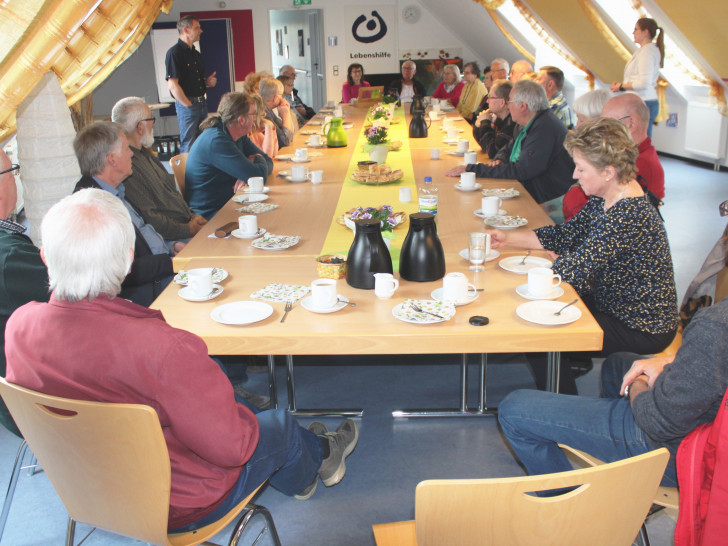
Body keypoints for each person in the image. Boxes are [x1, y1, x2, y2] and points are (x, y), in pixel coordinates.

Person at [4, 188, 359, 530]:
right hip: (179, 501)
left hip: (86, 488)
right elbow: (233, 448)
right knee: (280, 427)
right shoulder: (163, 348)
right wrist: (252, 424)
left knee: (215, 378)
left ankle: (305, 454)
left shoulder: (19, 328)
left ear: (45, 257)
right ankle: (317, 457)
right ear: (129, 259)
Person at [487, 118, 678, 393]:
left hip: (639, 325)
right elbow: (565, 237)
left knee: (544, 333)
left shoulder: (628, 214)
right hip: (611, 303)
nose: (574, 175)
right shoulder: (607, 198)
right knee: (540, 313)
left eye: (581, 168)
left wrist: (558, 261)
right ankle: (564, 374)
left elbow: (571, 270)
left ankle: (562, 408)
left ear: (608, 172)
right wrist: (508, 239)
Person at [498, 297, 728, 491]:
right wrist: (667, 361)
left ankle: (563, 507)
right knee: (618, 364)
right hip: (709, 428)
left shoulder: (715, 325)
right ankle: (616, 462)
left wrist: (638, 384)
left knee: (514, 409)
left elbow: (658, 423)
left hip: (680, 453)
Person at [73, 121, 177, 307]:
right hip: (148, 291)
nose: (131, 153)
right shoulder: (91, 207)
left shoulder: (116, 190)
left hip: (163, 268)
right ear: (112, 159)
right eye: (126, 148)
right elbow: (117, 271)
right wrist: (171, 263)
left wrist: (171, 246)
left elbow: (144, 233)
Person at [446, 80, 573, 205]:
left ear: (523, 106)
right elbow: (508, 148)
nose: (508, 105)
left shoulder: (544, 129)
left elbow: (522, 170)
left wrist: (472, 169)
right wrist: (501, 159)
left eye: (510, 101)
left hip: (545, 201)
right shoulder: (526, 123)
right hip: (529, 190)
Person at [0, 150, 49, 437]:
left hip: (13, 397)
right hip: (39, 399)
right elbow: (75, 306)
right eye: (13, 171)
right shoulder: (11, 257)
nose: (15, 179)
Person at [111, 97, 207, 241]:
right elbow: (151, 220)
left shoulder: (145, 154)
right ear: (140, 127)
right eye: (151, 120)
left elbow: (171, 195)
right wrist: (189, 228)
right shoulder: (128, 167)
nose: (153, 125)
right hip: (173, 238)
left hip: (185, 226)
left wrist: (192, 216)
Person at [563, 93, 665, 221]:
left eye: (607, 123)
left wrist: (574, 192)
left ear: (630, 123)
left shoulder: (640, 164)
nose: (601, 129)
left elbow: (591, 215)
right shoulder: (631, 155)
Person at [185, 92, 273, 220]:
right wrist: (253, 163)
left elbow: (268, 162)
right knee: (271, 219)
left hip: (231, 201)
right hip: (212, 214)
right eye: (254, 114)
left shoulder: (238, 135)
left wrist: (249, 171)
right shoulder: (217, 141)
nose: (256, 118)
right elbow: (259, 176)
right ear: (242, 120)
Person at [165, 15, 218, 153]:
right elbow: (173, 85)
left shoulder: (196, 54)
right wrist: (188, 105)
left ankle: (202, 173)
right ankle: (187, 174)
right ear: (186, 30)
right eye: (197, 28)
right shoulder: (174, 53)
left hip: (201, 103)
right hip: (188, 105)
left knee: (203, 141)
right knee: (189, 143)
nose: (201, 30)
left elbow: (193, 81)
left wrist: (208, 83)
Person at [611, 18, 664, 137]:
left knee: (638, 143)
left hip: (644, 102)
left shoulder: (647, 52)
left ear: (645, 32)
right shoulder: (646, 50)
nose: (633, 32)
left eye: (636, 29)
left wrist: (621, 86)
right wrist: (621, 87)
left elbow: (643, 83)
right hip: (642, 101)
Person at [472, 79, 518, 158]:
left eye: (490, 97)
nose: (487, 101)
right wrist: (478, 125)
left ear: (502, 102)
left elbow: (493, 152)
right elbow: (483, 144)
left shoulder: (511, 123)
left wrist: (485, 123)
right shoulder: (499, 119)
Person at [259, 77, 295, 148]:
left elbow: (290, 136)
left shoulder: (269, 111)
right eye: (281, 96)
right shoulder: (264, 114)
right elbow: (285, 142)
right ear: (275, 98)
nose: (283, 99)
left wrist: (286, 112)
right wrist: (286, 116)